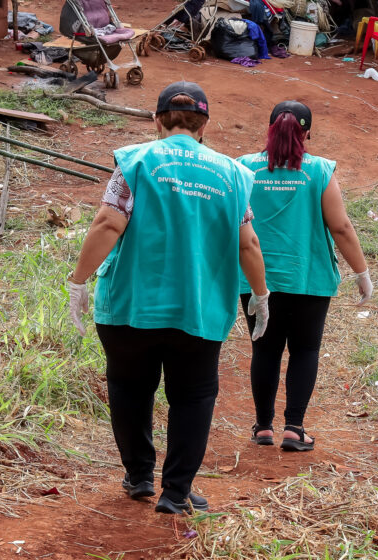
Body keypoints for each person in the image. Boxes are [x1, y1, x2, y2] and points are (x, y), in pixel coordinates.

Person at [66, 82, 271, 514]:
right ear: (204, 124)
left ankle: (139, 476)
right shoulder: (233, 174)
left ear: (157, 120)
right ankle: (176, 492)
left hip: (129, 307)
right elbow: (248, 244)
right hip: (197, 309)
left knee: (128, 388)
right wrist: (260, 294)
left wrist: (79, 281)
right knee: (193, 396)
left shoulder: (136, 160)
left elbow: (107, 223)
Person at [238, 100, 373, 452]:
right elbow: (341, 227)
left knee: (263, 350)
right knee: (304, 349)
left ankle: (263, 427)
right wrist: (362, 272)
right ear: (308, 132)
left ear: (269, 129)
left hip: (256, 279)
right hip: (307, 278)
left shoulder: (243, 169)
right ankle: (294, 429)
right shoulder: (319, 171)